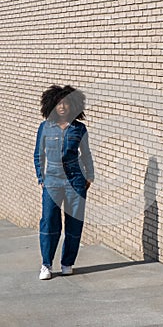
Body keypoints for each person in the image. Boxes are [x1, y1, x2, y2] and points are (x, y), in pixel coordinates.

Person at [34, 85, 94, 280]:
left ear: (72, 106)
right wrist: (41, 178)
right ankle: (46, 264)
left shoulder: (79, 128)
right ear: (52, 105)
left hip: (75, 181)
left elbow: (86, 154)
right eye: (58, 103)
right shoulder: (45, 127)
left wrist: (89, 176)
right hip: (51, 181)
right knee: (49, 221)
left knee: (74, 224)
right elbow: (38, 155)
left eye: (66, 104)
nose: (62, 107)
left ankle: (67, 262)